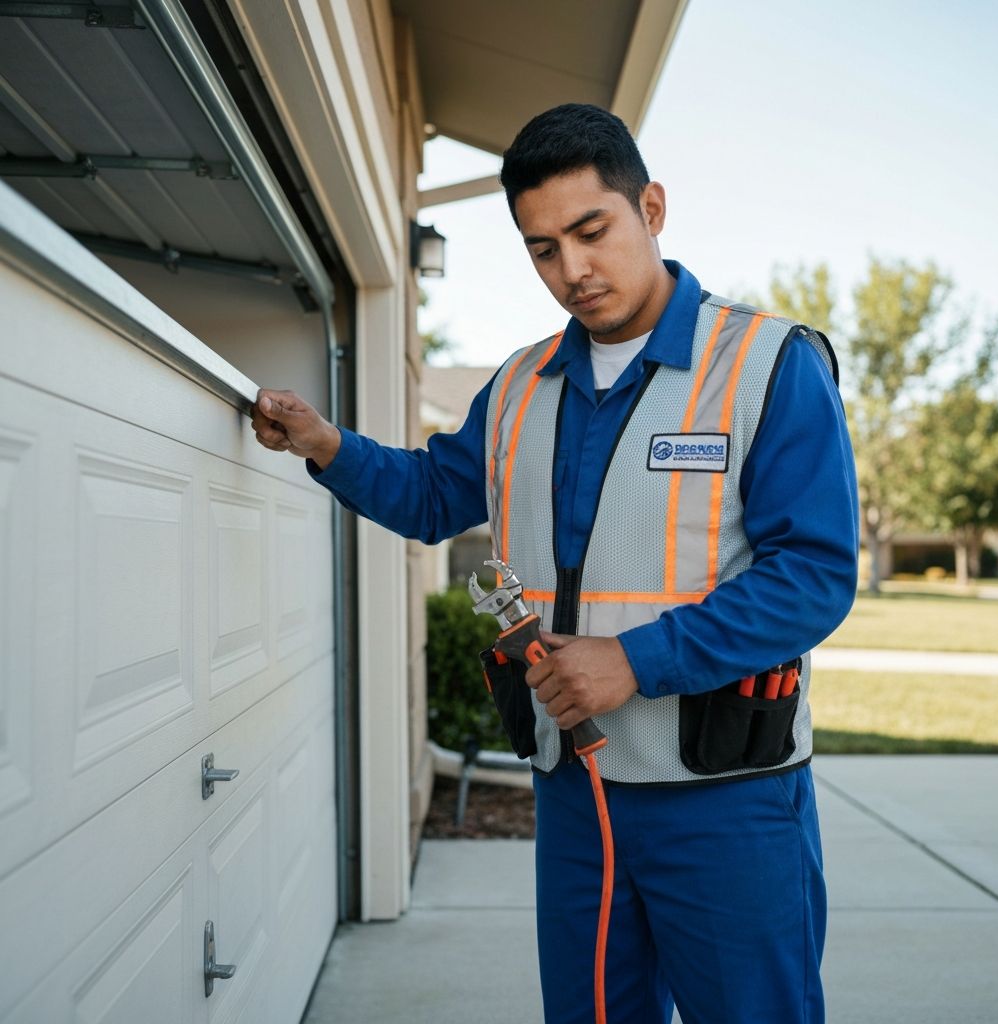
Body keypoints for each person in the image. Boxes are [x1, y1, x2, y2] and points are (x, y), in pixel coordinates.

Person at [251, 103, 859, 1024]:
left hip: (724, 799)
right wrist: (325, 443)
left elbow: (813, 575)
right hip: (574, 791)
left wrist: (634, 660)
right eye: (542, 249)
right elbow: (428, 497)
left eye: (591, 230)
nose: (571, 271)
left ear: (650, 208)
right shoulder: (517, 387)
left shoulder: (769, 365)